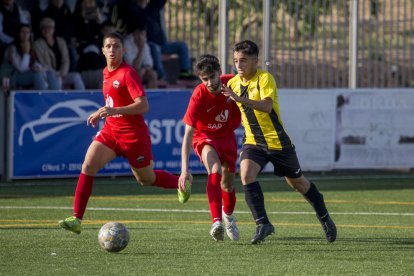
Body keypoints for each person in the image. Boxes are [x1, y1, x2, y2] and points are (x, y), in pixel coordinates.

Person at [58, 31, 191, 234]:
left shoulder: (127, 73)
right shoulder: (105, 72)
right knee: (88, 165)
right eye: (109, 46)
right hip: (111, 131)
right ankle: (77, 219)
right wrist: (100, 112)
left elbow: (143, 105)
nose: (112, 50)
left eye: (116, 46)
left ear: (123, 50)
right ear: (103, 50)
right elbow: (112, 102)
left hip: (133, 137)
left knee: (145, 179)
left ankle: (181, 183)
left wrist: (115, 111)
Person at [222, 40, 337, 244]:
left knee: (299, 184)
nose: (238, 65)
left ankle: (325, 217)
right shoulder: (232, 83)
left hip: (278, 143)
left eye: (243, 61)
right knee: (246, 175)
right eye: (236, 61)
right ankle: (263, 223)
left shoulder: (265, 79)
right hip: (253, 142)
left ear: (256, 61)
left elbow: (266, 107)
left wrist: (238, 99)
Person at [179, 54, 241, 241]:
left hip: (227, 137)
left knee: (228, 184)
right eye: (204, 79)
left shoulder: (233, 83)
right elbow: (188, 134)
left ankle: (228, 217)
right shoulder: (198, 95)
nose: (209, 82)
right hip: (204, 137)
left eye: (212, 77)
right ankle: (216, 223)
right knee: (214, 169)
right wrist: (184, 170)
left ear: (219, 73)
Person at [3, 23, 60, 90]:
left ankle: (55, 97)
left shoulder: (32, 46)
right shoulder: (12, 48)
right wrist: (26, 52)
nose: (25, 35)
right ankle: (42, 98)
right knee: (37, 74)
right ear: (18, 33)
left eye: (27, 32)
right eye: (23, 32)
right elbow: (21, 68)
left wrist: (39, 67)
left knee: (49, 72)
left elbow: (35, 62)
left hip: (27, 73)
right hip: (12, 76)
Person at [33, 17, 85, 90]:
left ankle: (84, 99)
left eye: (49, 27)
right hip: (48, 74)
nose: (46, 30)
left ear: (53, 29)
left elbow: (66, 59)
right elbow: (42, 62)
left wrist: (62, 73)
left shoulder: (61, 41)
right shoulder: (37, 44)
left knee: (76, 76)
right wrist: (55, 74)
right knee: (55, 80)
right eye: (43, 28)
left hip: (62, 73)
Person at [124, 23, 157, 88]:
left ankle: (151, 97)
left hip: (141, 70)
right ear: (134, 33)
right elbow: (134, 66)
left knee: (153, 74)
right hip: (127, 72)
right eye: (139, 34)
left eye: (143, 34)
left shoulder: (145, 44)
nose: (141, 37)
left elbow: (150, 64)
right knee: (137, 74)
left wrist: (144, 69)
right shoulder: (126, 44)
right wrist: (140, 50)